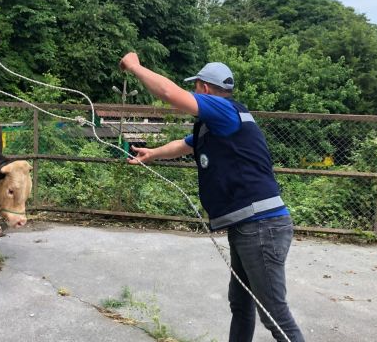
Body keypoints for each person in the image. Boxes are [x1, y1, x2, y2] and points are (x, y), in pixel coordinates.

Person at [119, 52, 305, 342]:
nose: (194, 91)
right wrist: (152, 153)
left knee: (274, 316)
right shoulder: (217, 125)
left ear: (204, 88)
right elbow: (184, 144)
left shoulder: (221, 109)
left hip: (262, 226)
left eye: (196, 86)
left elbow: (169, 92)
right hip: (248, 225)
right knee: (241, 304)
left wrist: (135, 66)